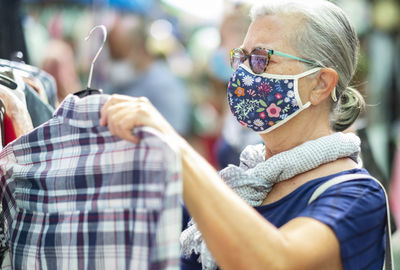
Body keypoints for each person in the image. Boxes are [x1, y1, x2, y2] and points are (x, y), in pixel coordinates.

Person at [100, 0, 388, 269]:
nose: (242, 73)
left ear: (321, 84)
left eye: (262, 59)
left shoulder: (356, 195)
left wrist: (177, 150)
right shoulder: (242, 181)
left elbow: (274, 261)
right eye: (242, 58)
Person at [106, 15, 191, 136]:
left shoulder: (165, 87)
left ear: (140, 48)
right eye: (112, 55)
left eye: (119, 54)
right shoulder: (118, 83)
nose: (115, 61)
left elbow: (174, 137)